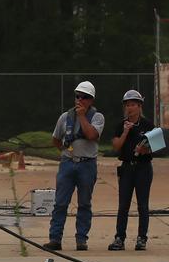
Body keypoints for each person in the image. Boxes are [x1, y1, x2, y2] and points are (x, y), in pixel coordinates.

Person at [46, 80, 105, 252]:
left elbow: (92, 135)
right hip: (68, 164)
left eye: (84, 97)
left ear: (91, 100)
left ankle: (81, 240)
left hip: (87, 165)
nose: (80, 100)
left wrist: (81, 116)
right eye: (78, 96)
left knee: (84, 203)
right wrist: (65, 153)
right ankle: (55, 238)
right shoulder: (65, 117)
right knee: (60, 203)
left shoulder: (97, 117)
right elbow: (56, 139)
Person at [109, 89, 155, 251]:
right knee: (123, 205)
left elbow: (156, 146)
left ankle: (142, 238)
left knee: (143, 205)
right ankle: (119, 237)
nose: (130, 108)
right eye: (127, 105)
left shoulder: (148, 125)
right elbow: (116, 146)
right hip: (127, 168)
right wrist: (126, 131)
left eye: (133, 105)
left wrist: (146, 150)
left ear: (139, 106)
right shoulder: (120, 125)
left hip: (143, 168)